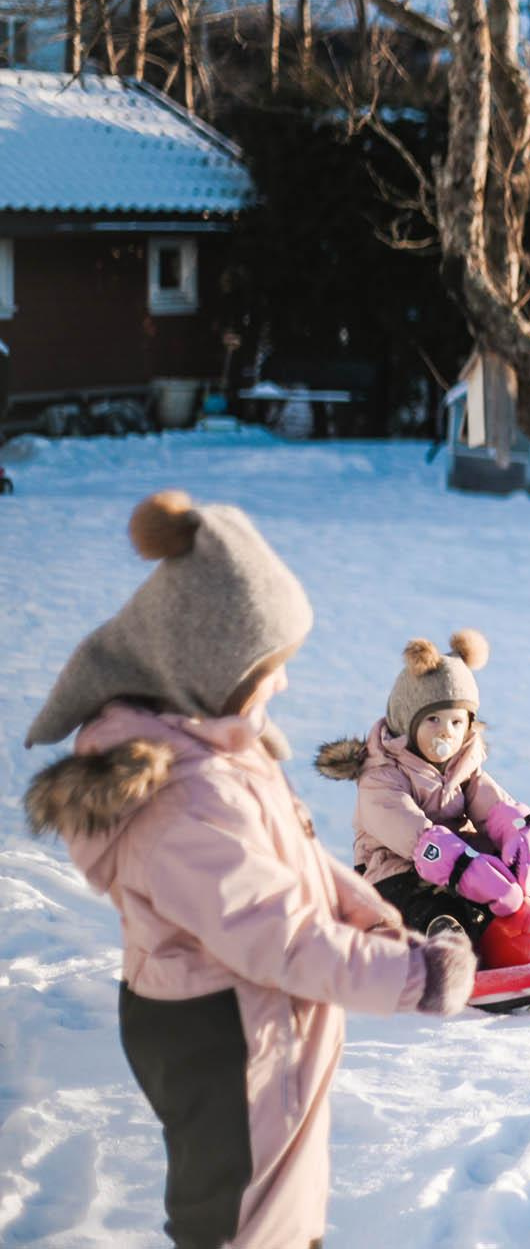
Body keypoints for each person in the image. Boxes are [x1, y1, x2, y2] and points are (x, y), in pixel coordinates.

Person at [22, 490, 474, 1249]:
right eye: (272, 667)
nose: (286, 685)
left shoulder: (221, 751)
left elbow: (293, 861)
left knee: (275, 1210)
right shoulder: (183, 799)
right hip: (225, 1036)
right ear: (210, 666)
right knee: (241, 1225)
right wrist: (413, 979)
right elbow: (280, 935)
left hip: (248, 1016)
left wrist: (372, 917)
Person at [313, 632, 530, 942]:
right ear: (406, 722)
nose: (446, 732)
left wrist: (520, 832)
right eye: (433, 719)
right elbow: (411, 833)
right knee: (431, 903)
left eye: (456, 722)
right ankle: (450, 943)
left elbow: (495, 807)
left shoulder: (464, 768)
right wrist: (463, 866)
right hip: (395, 871)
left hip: (463, 862)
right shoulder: (380, 777)